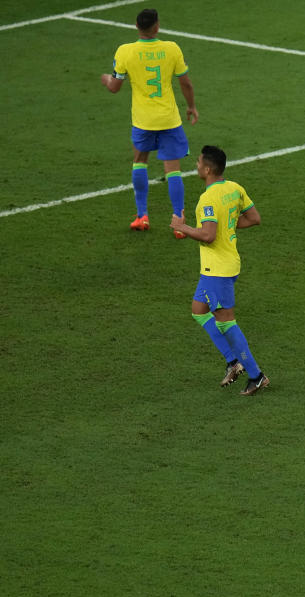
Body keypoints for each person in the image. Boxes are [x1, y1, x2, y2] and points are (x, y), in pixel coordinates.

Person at [170, 146, 268, 396]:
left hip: (218, 269)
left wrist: (183, 227)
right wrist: (228, 227)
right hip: (225, 264)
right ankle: (232, 361)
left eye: (199, 162)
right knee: (199, 310)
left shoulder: (207, 200)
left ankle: (256, 375)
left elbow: (208, 235)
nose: (196, 165)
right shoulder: (235, 188)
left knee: (227, 322)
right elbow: (254, 218)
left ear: (208, 169)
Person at [100, 8, 198, 236]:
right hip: (168, 119)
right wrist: (191, 106)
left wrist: (106, 79)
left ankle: (142, 216)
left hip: (143, 121)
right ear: (157, 27)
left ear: (136, 25)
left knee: (140, 161)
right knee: (173, 170)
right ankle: (179, 224)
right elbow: (186, 83)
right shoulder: (171, 49)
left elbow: (115, 87)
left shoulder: (125, 51)